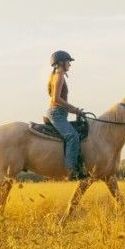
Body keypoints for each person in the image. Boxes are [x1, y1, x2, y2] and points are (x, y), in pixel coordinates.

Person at [48, 50, 86, 179]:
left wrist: (75, 111)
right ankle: (71, 170)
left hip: (60, 113)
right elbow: (56, 99)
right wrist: (75, 109)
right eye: (68, 61)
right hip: (57, 114)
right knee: (72, 136)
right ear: (61, 63)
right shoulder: (59, 76)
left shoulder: (57, 76)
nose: (70, 64)